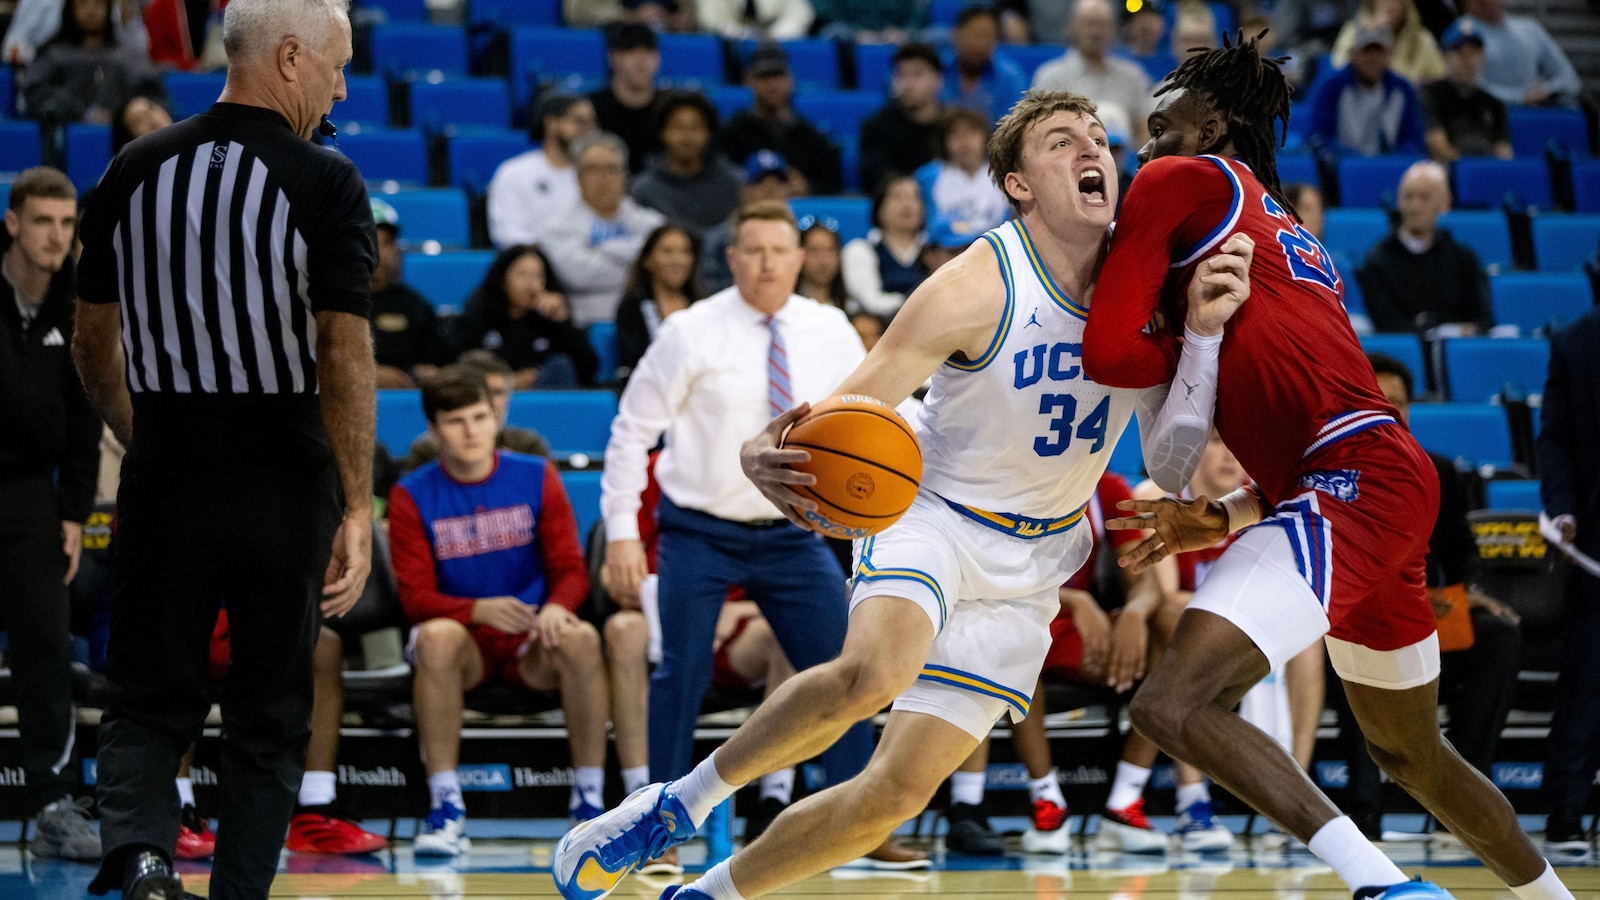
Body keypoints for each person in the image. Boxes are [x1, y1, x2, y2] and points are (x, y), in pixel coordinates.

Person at [552, 90, 1253, 900]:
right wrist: (766, 446)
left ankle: (707, 895)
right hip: (935, 513)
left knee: (892, 797)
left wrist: (1201, 337)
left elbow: (1170, 463)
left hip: (1034, 558)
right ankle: (679, 804)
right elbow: (855, 405)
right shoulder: (972, 285)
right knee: (872, 675)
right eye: (1063, 142)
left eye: (1099, 138)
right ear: (1019, 182)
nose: (1093, 150)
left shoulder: (1149, 287)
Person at [1081, 34, 1573, 900]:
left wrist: (1156, 321)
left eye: (1162, 126)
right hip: (1374, 476)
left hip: (1349, 478)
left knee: (1171, 706)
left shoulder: (1179, 182)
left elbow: (1106, 351)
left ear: (1217, 121)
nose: (1145, 146)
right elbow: (1292, 402)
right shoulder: (1288, 231)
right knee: (1410, 754)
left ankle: (1383, 886)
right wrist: (1225, 513)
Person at [71, 0, 378, 895]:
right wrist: (357, 503)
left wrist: (144, 437)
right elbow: (344, 351)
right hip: (284, 474)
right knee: (268, 709)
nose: (343, 87)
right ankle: (240, 890)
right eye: (336, 65)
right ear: (290, 58)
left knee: (147, 694)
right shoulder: (325, 179)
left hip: (166, 461)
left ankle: (142, 859)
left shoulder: (132, 167)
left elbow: (93, 339)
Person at [592, 200, 903, 869]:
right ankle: (659, 834)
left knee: (850, 669)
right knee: (681, 672)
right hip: (698, 529)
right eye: (752, 250)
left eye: (779, 250)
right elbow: (630, 431)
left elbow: (872, 419)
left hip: (794, 533)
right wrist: (622, 531)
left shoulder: (831, 329)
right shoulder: (689, 330)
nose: (766, 263)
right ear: (732, 259)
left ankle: (858, 825)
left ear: (800, 258)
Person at [389, 367, 612, 855]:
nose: (470, 431)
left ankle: (590, 804)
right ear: (432, 430)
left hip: (535, 643)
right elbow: (415, 599)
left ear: (496, 420)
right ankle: (445, 807)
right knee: (435, 636)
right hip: (466, 646)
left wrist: (557, 607)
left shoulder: (534, 475)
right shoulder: (411, 494)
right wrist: (478, 610)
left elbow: (571, 568)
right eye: (454, 421)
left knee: (582, 638)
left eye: (479, 417)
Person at [1339, 353, 1521, 840]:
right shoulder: (1332, 472)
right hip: (1354, 619)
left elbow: (1466, 554)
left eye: (1401, 403)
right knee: (1349, 650)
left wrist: (1463, 595)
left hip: (1431, 616)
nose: (1394, 412)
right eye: (1383, 401)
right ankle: (1364, 813)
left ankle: (1458, 805)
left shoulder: (1435, 468)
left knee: (1499, 638)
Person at [0, 167, 102, 862]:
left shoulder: (79, 304)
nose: (55, 238)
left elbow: (87, 421)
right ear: (13, 223)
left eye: (66, 225)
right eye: (43, 222)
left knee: (45, 646)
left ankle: (53, 805)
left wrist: (71, 515)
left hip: (30, 493)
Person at [1537, 303, 1600, 853]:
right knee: (1586, 679)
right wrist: (1561, 509)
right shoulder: (1576, 340)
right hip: (1596, 540)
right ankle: (1566, 814)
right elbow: (1554, 437)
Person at [541, 132, 667, 328]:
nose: (604, 178)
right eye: (593, 169)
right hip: (585, 324)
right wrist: (640, 261)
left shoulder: (651, 223)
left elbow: (666, 267)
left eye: (612, 169)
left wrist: (604, 249)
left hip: (648, 322)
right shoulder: (557, 227)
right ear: (578, 176)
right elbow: (578, 276)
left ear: (626, 175)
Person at [1358, 161, 1492, 336]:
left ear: (1445, 202)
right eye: (1408, 196)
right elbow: (1385, 323)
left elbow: (1483, 319)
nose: (1415, 206)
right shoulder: (1378, 259)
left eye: (1424, 197)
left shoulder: (1463, 258)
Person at [450, 244, 601, 387]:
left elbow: (588, 371)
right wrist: (510, 382)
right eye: (522, 275)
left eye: (538, 276)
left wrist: (563, 322)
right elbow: (455, 366)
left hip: (544, 405)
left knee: (560, 364)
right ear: (502, 279)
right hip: (489, 401)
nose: (532, 285)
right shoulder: (479, 314)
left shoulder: (551, 320)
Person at [404, 349, 554, 491]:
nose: (492, 402)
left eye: (498, 392)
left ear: (509, 397)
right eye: (481, 393)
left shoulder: (528, 446)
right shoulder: (426, 449)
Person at [717, 44, 843, 197]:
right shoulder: (730, 134)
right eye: (764, 77)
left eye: (778, 76)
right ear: (748, 79)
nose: (772, 85)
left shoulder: (812, 138)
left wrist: (807, 189)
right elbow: (717, 178)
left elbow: (832, 186)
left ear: (791, 79)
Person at [1031, 0, 1155, 147]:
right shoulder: (1050, 77)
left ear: (1113, 29)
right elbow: (1039, 132)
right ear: (1072, 27)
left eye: (1102, 25)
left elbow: (1144, 129)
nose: (1096, 32)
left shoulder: (1133, 76)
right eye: (1089, 24)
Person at [21, 0, 164, 125]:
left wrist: (120, 115)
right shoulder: (53, 55)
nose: (91, 10)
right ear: (71, 9)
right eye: (83, 3)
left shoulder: (125, 57)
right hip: (63, 136)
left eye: (98, 3)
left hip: (120, 137)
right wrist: (78, 112)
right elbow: (35, 93)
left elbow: (152, 94)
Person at [487, 93, 598, 249]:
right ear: (551, 123)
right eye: (580, 121)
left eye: (592, 122)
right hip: (534, 265)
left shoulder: (599, 175)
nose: (589, 130)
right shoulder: (514, 172)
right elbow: (508, 233)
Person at [629, 90, 742, 237]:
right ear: (662, 133)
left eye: (695, 128)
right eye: (678, 127)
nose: (687, 136)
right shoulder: (642, 190)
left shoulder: (733, 184)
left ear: (708, 133)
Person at [1308, 22, 1426, 157]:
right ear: (1353, 54)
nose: (1373, 58)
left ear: (1388, 56)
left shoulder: (1402, 89)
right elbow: (1318, 136)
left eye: (1379, 51)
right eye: (1366, 51)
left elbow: (1413, 138)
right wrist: (1351, 159)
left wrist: (1396, 160)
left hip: (1391, 169)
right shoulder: (1331, 86)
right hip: (1340, 168)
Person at [368, 198, 442, 389]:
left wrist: (421, 374)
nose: (379, 251)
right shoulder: (331, 302)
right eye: (370, 240)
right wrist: (369, 373)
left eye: (386, 243)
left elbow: (437, 365)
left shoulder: (416, 305)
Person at [698, 151, 793, 295]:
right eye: (760, 183)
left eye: (778, 183)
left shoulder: (802, 236)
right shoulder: (718, 240)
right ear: (743, 190)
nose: (770, 191)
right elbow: (708, 288)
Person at [616, 223, 704, 378]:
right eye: (667, 251)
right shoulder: (632, 305)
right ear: (648, 260)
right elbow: (636, 360)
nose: (678, 260)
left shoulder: (703, 305)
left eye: (685, 252)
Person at [858, 42, 946, 196]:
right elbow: (881, 182)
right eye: (900, 74)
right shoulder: (877, 127)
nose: (907, 83)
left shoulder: (955, 126)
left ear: (938, 80)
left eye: (917, 74)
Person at [1422, 19, 1513, 162]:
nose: (1467, 61)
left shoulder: (1495, 104)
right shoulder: (1430, 94)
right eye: (1460, 53)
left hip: (1486, 169)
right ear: (1445, 57)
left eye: (1473, 53)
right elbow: (1436, 143)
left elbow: (1503, 150)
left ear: (1482, 57)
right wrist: (1467, 172)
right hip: (1450, 172)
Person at [1461, 0, 1580, 108]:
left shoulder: (1530, 29)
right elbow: (1466, 84)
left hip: (1534, 112)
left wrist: (1547, 91)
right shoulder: (1463, 31)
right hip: (1486, 117)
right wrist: (1520, 97)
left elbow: (1569, 78)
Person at [914, 109, 1011, 238]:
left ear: (985, 137)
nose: (964, 143)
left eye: (971, 133)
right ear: (944, 141)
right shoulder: (926, 178)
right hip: (943, 251)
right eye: (956, 135)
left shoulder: (1004, 175)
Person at [841, 174, 928, 318]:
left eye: (914, 197)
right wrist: (915, 304)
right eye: (898, 196)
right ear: (879, 207)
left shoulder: (936, 251)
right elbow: (870, 301)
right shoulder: (860, 250)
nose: (907, 204)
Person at [590, 23, 661, 176]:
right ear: (613, 57)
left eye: (649, 51)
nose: (641, 60)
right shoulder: (592, 108)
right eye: (631, 51)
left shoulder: (669, 109)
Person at [941, 6, 1029, 125]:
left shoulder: (1011, 77)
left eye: (988, 36)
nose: (981, 43)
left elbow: (1014, 127)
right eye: (975, 34)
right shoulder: (939, 69)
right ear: (956, 34)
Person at [1331, 0, 1446, 84]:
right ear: (1372, 3)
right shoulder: (1353, 31)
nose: (1391, 5)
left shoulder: (1422, 38)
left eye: (1397, 1)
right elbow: (1339, 68)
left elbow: (1440, 77)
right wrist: (1375, 33)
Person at [794, 221, 847, 310]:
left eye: (830, 250)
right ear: (799, 255)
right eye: (814, 250)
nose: (823, 260)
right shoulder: (786, 306)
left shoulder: (851, 308)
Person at [697, 0, 814, 40]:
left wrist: (773, 35)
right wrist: (744, 35)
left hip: (777, 47)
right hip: (730, 48)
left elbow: (801, 14)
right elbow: (712, 20)